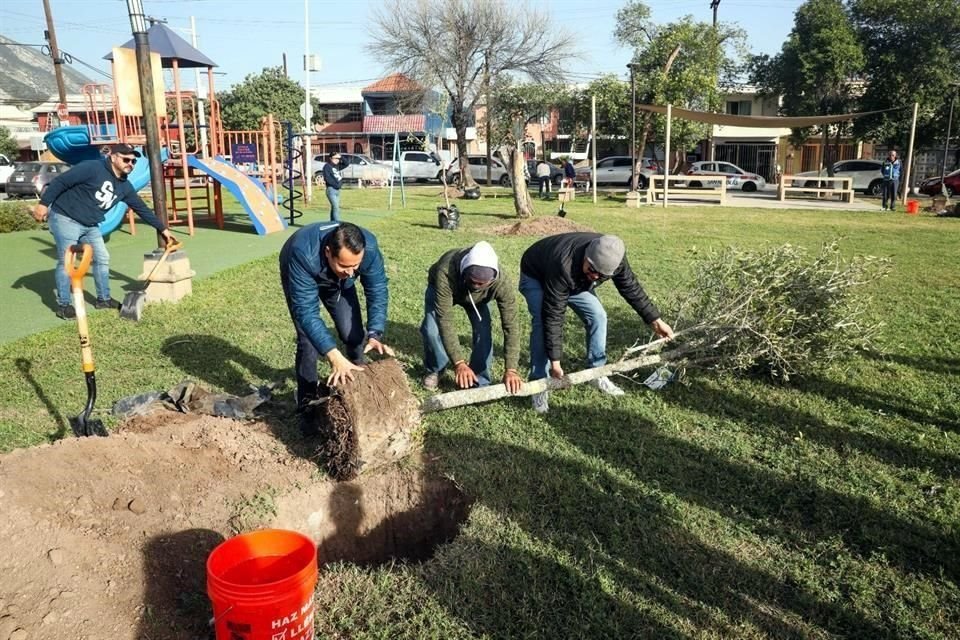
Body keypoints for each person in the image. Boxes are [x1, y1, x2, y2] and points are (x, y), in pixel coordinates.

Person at [519, 233, 674, 414]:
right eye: (592, 270)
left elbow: (631, 288)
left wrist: (656, 321)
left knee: (598, 316)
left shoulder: (615, 259)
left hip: (575, 279)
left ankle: (597, 372)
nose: (595, 277)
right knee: (542, 320)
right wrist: (556, 362)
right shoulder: (563, 263)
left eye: (602, 275)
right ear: (587, 256)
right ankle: (539, 383)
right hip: (536, 274)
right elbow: (553, 315)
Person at [32, 143, 176, 319]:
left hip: (90, 224)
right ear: (113, 157)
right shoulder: (92, 168)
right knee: (67, 261)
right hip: (65, 217)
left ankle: (103, 299)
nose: (130, 164)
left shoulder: (124, 186)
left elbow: (142, 209)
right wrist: (43, 204)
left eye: (133, 161)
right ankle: (64, 305)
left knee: (102, 258)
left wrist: (163, 229)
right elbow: (60, 182)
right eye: (126, 159)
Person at [279, 222, 392, 431]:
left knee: (353, 333)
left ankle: (358, 375)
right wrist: (333, 355)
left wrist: (375, 332)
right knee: (308, 342)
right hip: (300, 269)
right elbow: (306, 312)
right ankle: (307, 405)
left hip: (337, 284)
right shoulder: (302, 254)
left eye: (355, 266)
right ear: (328, 252)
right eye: (344, 266)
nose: (351, 272)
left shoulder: (369, 248)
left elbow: (377, 287)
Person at [420, 241, 522, 394]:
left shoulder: (502, 283)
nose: (476, 286)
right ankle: (436, 368)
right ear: (464, 272)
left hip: (479, 301)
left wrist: (511, 369)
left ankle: (479, 380)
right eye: (473, 282)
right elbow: (445, 319)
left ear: (492, 280)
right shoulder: (446, 271)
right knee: (431, 330)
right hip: (442, 289)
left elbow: (511, 325)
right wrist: (459, 363)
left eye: (481, 284)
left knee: (483, 333)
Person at [322, 152, 345, 222]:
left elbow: (347, 163)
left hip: (337, 190)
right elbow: (327, 179)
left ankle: (332, 222)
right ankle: (336, 223)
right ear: (330, 158)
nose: (337, 160)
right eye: (335, 158)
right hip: (331, 190)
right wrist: (336, 185)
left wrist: (341, 157)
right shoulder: (327, 167)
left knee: (334, 207)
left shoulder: (337, 166)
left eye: (338, 159)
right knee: (336, 207)